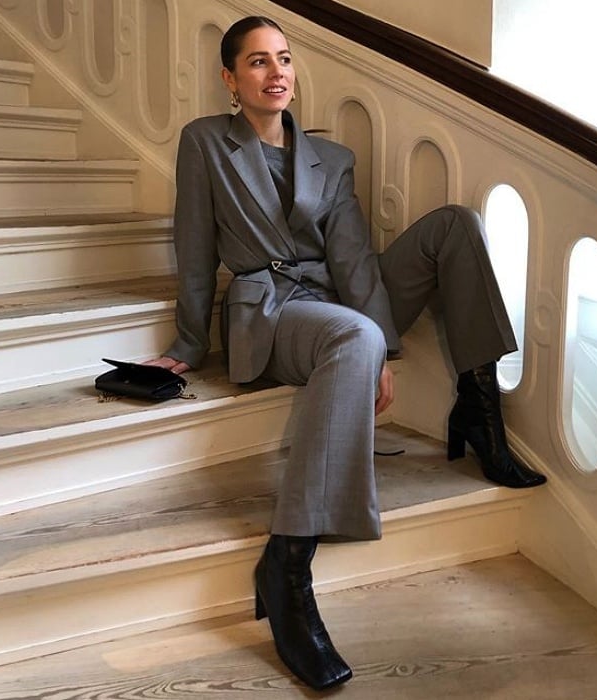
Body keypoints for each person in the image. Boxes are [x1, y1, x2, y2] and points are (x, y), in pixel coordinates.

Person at [148, 15, 546, 691]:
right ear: (229, 79)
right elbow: (194, 246)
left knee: (454, 226)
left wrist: (381, 349)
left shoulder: (330, 160)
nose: (276, 73)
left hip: (335, 298)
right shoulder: (205, 143)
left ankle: (479, 409)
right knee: (351, 334)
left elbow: (354, 258)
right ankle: (289, 559)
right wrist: (188, 341)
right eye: (257, 62)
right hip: (272, 310)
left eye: (284, 59)